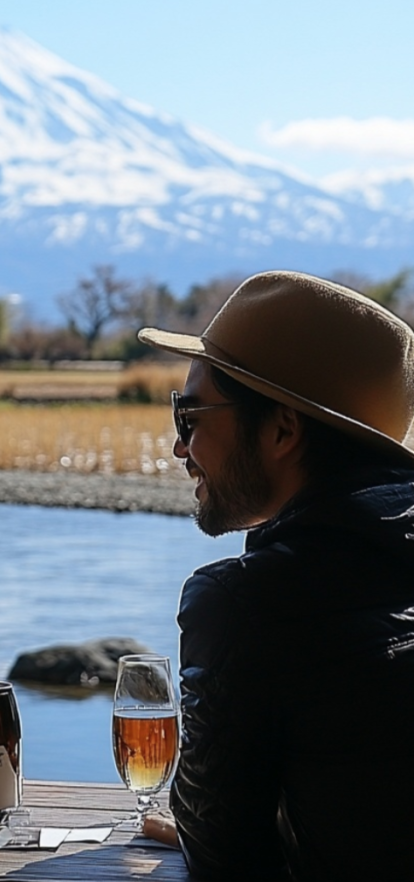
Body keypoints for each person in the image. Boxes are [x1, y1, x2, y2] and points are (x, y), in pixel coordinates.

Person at [136, 270, 414, 880]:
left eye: (190, 415)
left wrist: (196, 823)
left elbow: (227, 861)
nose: (181, 448)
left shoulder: (245, 604)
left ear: (283, 429)